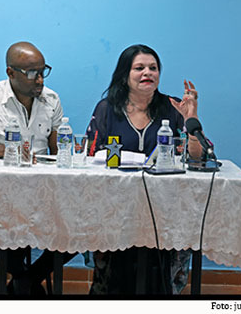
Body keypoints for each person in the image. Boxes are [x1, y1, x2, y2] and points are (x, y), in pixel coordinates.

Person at [86, 44, 202, 295]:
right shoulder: (107, 109)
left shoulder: (173, 107)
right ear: (125, 74)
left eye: (153, 68)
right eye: (139, 68)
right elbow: (90, 155)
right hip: (115, 205)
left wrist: (191, 116)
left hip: (165, 206)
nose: (147, 73)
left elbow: (197, 158)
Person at [0, 41, 69, 294]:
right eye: (33, 73)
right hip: (2, 192)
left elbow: (58, 151)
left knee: (79, 224)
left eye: (44, 71)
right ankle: (24, 279)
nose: (40, 79)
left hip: (44, 188)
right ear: (11, 73)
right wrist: (17, 152)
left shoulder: (51, 100)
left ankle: (27, 279)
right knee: (7, 227)